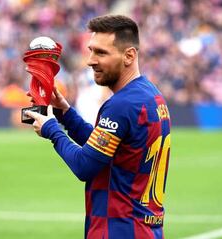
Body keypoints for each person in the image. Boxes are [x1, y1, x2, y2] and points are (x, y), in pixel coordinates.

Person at [25, 15, 171, 239]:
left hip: (118, 229)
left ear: (129, 56)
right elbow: (105, 150)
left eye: (101, 53)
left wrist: (51, 129)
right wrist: (65, 112)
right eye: (91, 50)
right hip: (145, 229)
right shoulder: (150, 95)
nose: (90, 60)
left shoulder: (121, 105)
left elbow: (85, 165)